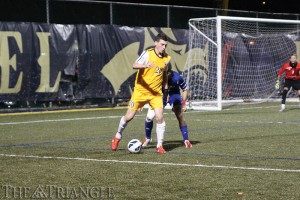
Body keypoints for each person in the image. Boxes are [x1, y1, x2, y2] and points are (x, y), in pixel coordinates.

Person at [111, 33, 171, 154]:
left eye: (165, 45)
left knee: (160, 117)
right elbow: (134, 65)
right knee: (129, 117)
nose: (164, 47)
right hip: (141, 91)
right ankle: (117, 136)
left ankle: (159, 146)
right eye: (162, 44)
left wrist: (165, 88)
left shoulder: (166, 58)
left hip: (156, 93)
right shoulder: (148, 53)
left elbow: (164, 73)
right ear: (156, 43)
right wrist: (145, 65)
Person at [142, 66, 192, 148]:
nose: (163, 74)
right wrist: (143, 102)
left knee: (179, 115)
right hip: (160, 96)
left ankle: (186, 140)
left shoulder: (177, 77)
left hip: (174, 95)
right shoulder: (156, 77)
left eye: (165, 73)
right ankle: (147, 138)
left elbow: (185, 89)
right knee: (149, 117)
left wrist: (183, 103)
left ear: (169, 72)